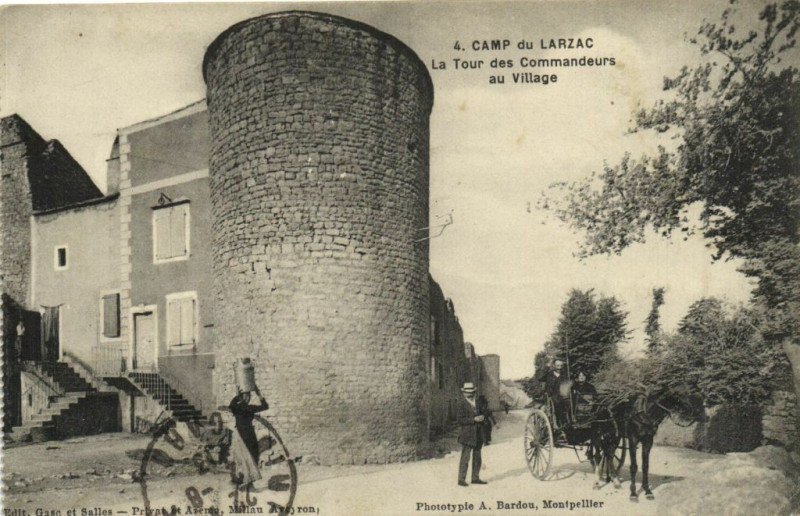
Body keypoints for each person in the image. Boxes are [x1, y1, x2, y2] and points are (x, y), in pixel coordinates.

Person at [228, 386, 269, 486]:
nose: (247, 398)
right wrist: (237, 396)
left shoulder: (250, 408)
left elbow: (265, 406)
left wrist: (259, 394)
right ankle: (243, 481)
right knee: (244, 459)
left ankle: (250, 483)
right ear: (241, 397)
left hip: (250, 435)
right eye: (245, 396)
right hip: (241, 436)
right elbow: (230, 406)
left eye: (249, 396)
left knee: (253, 457)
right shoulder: (237, 408)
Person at [457, 382, 487, 486]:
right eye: (467, 393)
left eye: (471, 392)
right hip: (467, 434)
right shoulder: (461, 404)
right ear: (464, 393)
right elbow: (460, 420)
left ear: (474, 392)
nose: (469, 394)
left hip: (478, 433)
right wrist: (473, 419)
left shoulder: (478, 402)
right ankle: (461, 479)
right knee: (465, 457)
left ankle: (475, 477)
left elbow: (484, 412)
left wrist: (483, 417)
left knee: (477, 457)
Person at [535, 358, 571, 428]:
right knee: (557, 402)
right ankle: (557, 422)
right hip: (552, 396)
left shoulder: (565, 375)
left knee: (570, 403)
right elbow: (540, 378)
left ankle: (567, 421)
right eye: (557, 366)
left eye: (561, 366)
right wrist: (546, 368)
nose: (559, 368)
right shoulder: (549, 374)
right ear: (554, 366)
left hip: (563, 395)